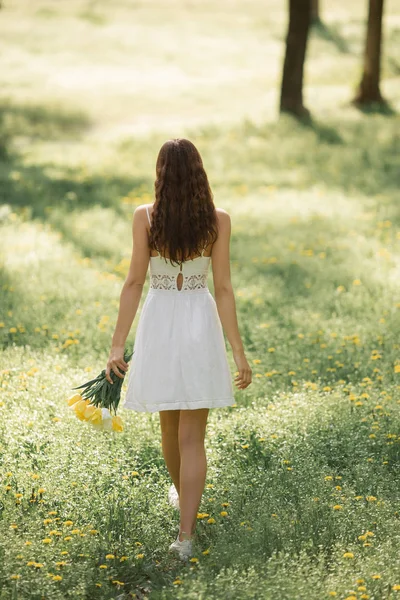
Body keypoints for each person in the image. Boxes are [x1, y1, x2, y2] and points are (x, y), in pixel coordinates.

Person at [105, 138, 252, 560]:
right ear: (200, 174)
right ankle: (185, 536)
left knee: (170, 426)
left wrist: (118, 345)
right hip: (199, 320)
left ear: (161, 174)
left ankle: (182, 497)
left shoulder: (146, 217)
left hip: (160, 320)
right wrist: (238, 353)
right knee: (193, 437)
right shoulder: (218, 220)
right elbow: (223, 288)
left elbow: (134, 282)